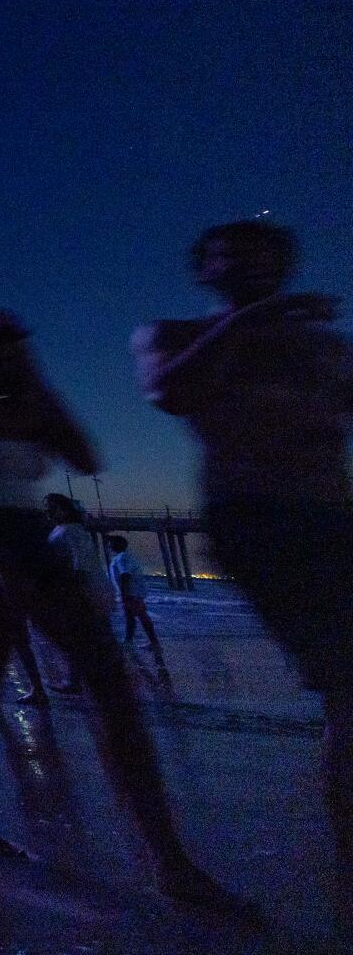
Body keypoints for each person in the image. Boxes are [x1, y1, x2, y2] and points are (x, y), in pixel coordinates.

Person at [0, 309, 237, 906]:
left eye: (10, 344)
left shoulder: (31, 402)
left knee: (111, 682)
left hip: (30, 535)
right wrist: (5, 567)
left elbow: (87, 459)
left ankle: (166, 854)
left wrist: (42, 393)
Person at [135, 218, 353, 908]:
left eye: (264, 251)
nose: (249, 260)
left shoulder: (323, 343)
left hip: (336, 515)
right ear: (203, 267)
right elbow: (169, 391)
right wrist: (255, 319)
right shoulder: (172, 334)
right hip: (260, 520)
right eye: (230, 251)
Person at [106, 535, 170, 675]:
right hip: (134, 592)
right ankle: (131, 642)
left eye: (110, 543)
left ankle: (153, 643)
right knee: (132, 617)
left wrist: (124, 594)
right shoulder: (125, 556)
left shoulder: (122, 558)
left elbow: (125, 575)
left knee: (139, 616)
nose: (108, 545)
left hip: (131, 593)